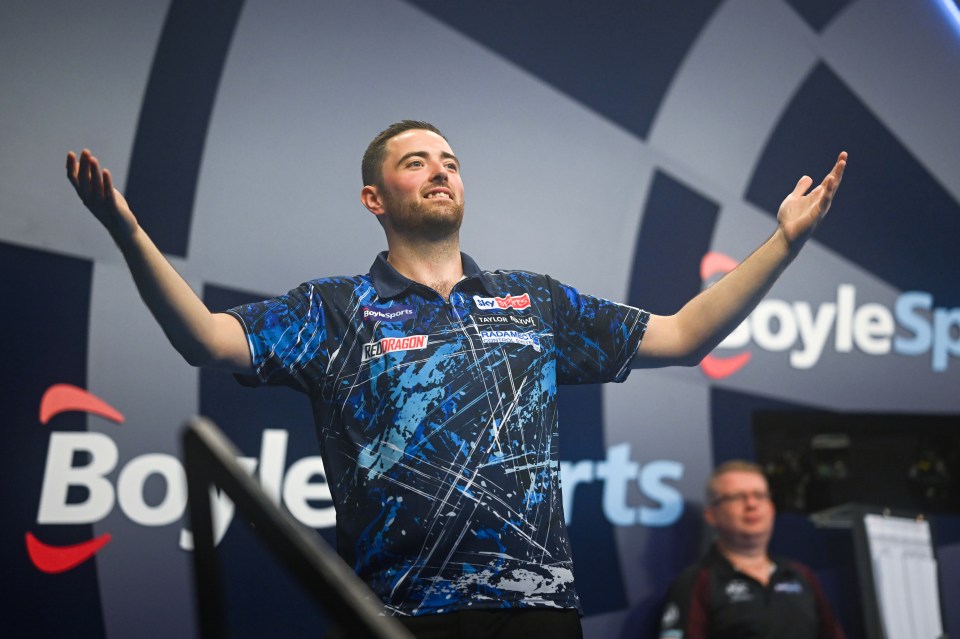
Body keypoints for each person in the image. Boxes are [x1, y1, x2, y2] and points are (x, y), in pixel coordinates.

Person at [66, 121, 846, 638]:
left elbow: (683, 335)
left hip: (539, 610)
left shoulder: (532, 299)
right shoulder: (336, 310)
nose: (439, 171)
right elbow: (206, 340)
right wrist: (129, 235)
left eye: (450, 162)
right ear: (376, 198)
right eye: (416, 163)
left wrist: (781, 244)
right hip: (401, 616)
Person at [658, 460, 846, 639]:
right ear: (711, 515)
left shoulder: (802, 576)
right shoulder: (697, 582)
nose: (751, 504)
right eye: (737, 497)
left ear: (772, 508)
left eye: (760, 495)